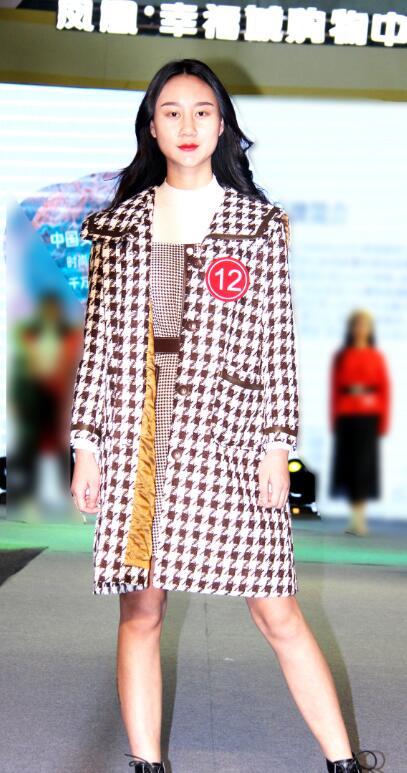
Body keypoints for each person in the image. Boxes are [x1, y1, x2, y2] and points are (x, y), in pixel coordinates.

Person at [70, 59, 377, 773]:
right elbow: (99, 343)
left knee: (276, 608)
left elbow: (277, 342)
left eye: (202, 111)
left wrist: (277, 442)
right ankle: (146, 763)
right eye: (171, 112)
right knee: (140, 610)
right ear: (151, 127)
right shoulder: (114, 229)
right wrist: (86, 442)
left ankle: (342, 761)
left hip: (229, 434)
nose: (187, 125)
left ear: (222, 126)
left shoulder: (259, 227)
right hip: (140, 433)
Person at [329, 309, 391, 536]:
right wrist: (334, 418)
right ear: (351, 328)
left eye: (365, 325)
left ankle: (360, 518)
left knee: (364, 466)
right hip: (346, 414)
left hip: (369, 416)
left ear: (370, 329)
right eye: (357, 324)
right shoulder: (342, 356)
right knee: (349, 466)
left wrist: (383, 422)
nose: (361, 329)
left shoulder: (376, 357)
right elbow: (335, 388)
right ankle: (353, 518)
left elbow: (385, 389)